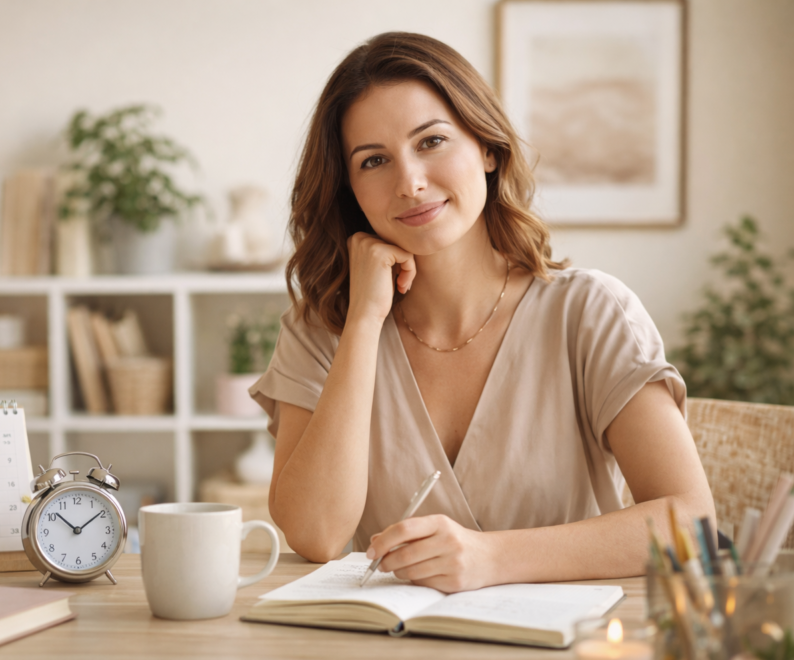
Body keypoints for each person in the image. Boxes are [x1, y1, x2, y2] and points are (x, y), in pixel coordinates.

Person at [249, 32, 715, 593]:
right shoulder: (320, 328)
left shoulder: (590, 312)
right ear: (351, 189)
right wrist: (364, 322)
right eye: (374, 161)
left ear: (488, 148)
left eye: (432, 141)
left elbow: (691, 522)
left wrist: (491, 558)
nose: (410, 182)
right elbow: (316, 535)